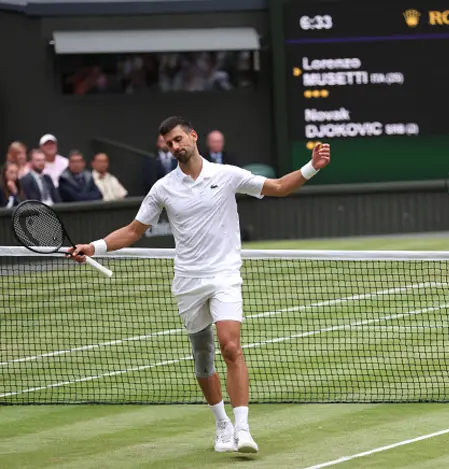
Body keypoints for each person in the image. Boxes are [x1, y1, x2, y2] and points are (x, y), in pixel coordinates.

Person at [68, 116, 331, 454]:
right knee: (203, 358)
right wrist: (94, 247)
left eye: (179, 139)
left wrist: (312, 166)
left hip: (224, 275)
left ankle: (243, 429)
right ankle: (221, 424)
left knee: (231, 346)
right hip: (188, 282)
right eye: (169, 144)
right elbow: (134, 231)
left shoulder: (226, 175)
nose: (175, 147)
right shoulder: (163, 187)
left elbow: (278, 187)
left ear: (193, 136)